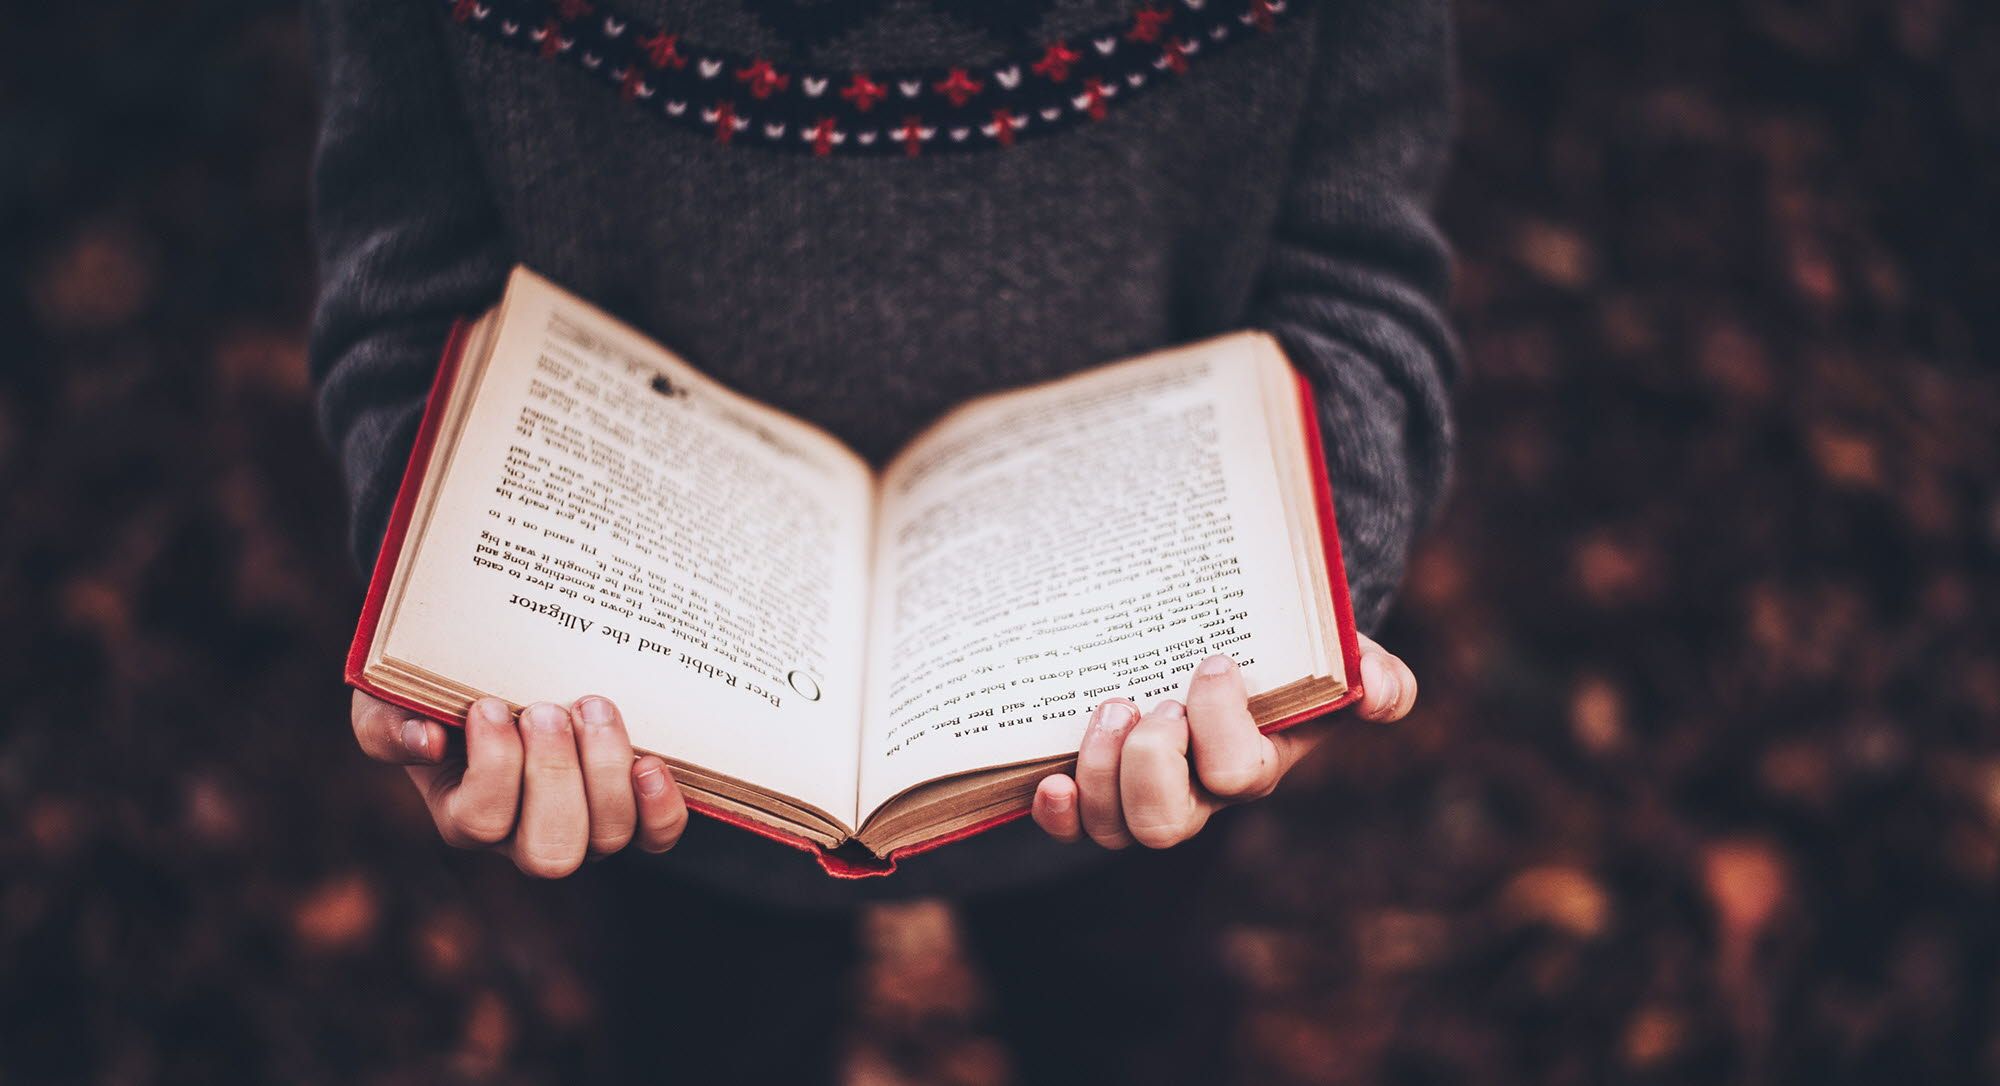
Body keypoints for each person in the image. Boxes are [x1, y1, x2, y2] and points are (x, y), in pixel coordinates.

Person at [308, 0, 1455, 1079]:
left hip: (1135, 726)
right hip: (658, 758)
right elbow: (413, 279)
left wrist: (1295, 615)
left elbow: (1351, 267)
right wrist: (454, 651)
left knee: (1128, 1016)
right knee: (707, 1033)